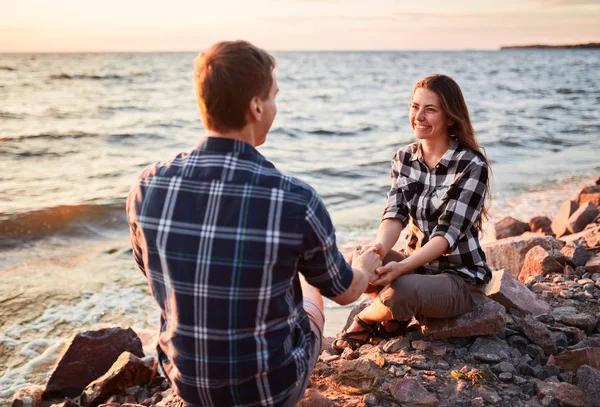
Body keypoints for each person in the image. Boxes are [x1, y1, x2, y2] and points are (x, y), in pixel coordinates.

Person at [126, 40, 381, 407]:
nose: (275, 107)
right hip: (268, 391)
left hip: (187, 383)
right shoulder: (293, 198)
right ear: (256, 106)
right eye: (274, 97)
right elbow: (344, 292)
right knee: (312, 292)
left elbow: (150, 270)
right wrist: (364, 267)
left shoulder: (148, 185)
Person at [333, 74, 492, 351]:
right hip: (416, 266)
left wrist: (402, 268)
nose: (419, 116)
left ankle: (366, 320)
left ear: (450, 118)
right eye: (414, 106)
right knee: (355, 260)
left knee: (402, 290)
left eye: (430, 109)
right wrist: (380, 250)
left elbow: (446, 235)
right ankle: (396, 317)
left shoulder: (471, 165)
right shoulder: (404, 158)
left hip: (460, 279)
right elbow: (394, 214)